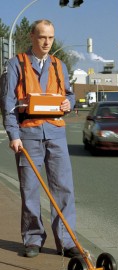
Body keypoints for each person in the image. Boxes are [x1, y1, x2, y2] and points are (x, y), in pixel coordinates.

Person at [1, 19, 80, 258]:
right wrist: (13, 135)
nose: (47, 42)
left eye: (51, 38)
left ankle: (67, 242)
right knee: (30, 190)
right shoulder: (16, 64)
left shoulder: (59, 65)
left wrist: (69, 103)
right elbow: (8, 104)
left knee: (63, 189)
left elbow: (69, 95)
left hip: (55, 134)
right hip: (28, 136)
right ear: (32, 37)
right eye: (43, 37)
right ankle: (33, 239)